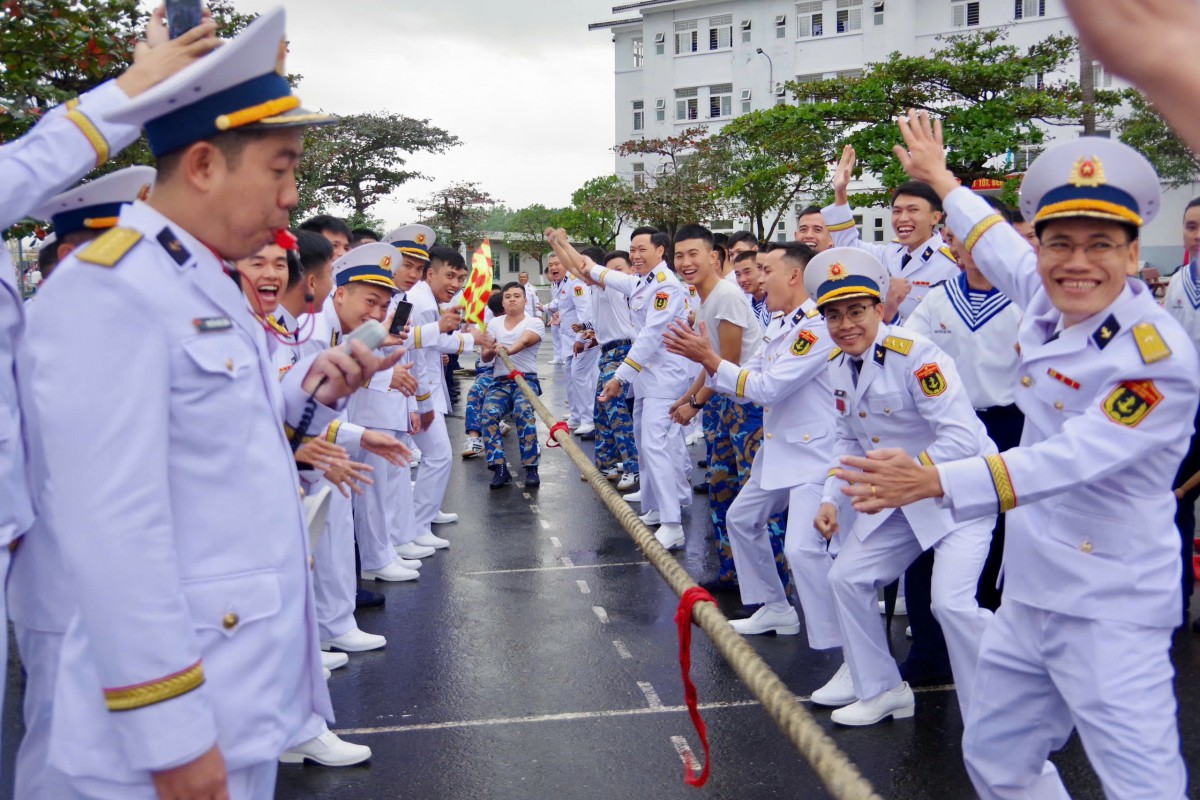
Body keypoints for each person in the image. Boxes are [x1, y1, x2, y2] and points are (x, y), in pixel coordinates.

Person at [25, 10, 403, 798]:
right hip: (158, 734)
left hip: (234, 691)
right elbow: (112, 529)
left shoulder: (197, 277)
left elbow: (218, 435)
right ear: (202, 164)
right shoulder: (110, 287)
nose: (293, 199)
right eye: (281, 168)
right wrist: (172, 736)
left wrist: (309, 388)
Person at [846, 111, 1198, 798]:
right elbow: (990, 241)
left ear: (1133, 255)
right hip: (1032, 588)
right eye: (1058, 242)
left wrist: (932, 481)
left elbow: (1067, 460)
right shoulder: (1046, 292)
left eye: (1101, 244)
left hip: (1110, 602)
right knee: (998, 757)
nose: (1076, 261)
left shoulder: (1158, 360)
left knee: (1142, 786)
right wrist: (941, 179)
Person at [10, 164, 157, 798]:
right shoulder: (37, 336)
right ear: (73, 254)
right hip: (57, 573)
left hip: (127, 573)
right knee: (58, 739)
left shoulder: (129, 331)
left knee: (121, 740)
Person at [808, 245, 996, 728]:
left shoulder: (918, 356)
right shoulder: (836, 364)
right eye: (833, 315)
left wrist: (905, 476)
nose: (846, 324)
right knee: (846, 578)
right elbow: (846, 437)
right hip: (902, 501)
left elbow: (961, 438)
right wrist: (831, 498)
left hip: (960, 493)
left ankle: (998, 710)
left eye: (856, 311)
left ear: (879, 309)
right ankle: (884, 690)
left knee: (950, 605)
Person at [665, 242, 844, 660]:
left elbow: (767, 388)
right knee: (742, 519)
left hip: (815, 456)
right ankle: (777, 608)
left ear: (794, 276)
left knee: (802, 549)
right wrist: (709, 365)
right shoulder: (783, 325)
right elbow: (747, 384)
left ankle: (841, 651)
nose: (757, 278)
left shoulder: (815, 329)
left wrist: (710, 358)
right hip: (782, 451)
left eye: (765, 269)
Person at [899, 204, 1024, 689]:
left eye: (976, 234)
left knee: (999, 546)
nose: (965, 245)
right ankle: (928, 655)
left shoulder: (1026, 298)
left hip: (1010, 427)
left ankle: (989, 652)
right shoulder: (938, 297)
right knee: (926, 539)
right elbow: (907, 352)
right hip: (949, 426)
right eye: (958, 236)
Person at [667, 224, 763, 586]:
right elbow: (712, 364)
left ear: (714, 257)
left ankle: (766, 587)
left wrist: (694, 402)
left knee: (749, 500)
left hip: (746, 409)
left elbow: (730, 366)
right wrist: (687, 397)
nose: (686, 262)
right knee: (721, 491)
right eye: (680, 255)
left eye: (694, 254)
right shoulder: (704, 299)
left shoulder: (727, 296)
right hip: (723, 406)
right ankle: (732, 570)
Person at [593, 227, 694, 550]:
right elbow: (597, 272)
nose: (635, 256)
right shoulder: (643, 282)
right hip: (648, 379)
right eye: (632, 250)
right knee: (643, 439)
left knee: (656, 446)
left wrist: (619, 377)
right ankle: (654, 506)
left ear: (660, 251)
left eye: (641, 249)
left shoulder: (667, 287)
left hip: (665, 378)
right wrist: (562, 245)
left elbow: (651, 336)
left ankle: (672, 522)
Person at [823, 145, 960, 323]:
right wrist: (840, 191)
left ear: (935, 217)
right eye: (896, 211)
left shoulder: (951, 264)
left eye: (913, 210)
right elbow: (849, 249)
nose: (902, 218)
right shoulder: (891, 253)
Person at [547, 234, 641, 492]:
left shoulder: (616, 285)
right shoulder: (598, 287)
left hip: (623, 351)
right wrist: (555, 244)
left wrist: (561, 243)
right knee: (602, 413)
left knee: (616, 411)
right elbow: (577, 269)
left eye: (617, 270)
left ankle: (632, 467)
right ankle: (607, 466)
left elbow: (579, 266)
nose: (610, 275)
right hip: (608, 352)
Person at [407, 245, 477, 541]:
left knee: (433, 457)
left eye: (461, 278)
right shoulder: (422, 303)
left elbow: (436, 341)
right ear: (430, 273)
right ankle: (419, 525)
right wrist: (422, 402)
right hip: (418, 391)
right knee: (438, 456)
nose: (456, 284)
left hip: (424, 389)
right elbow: (420, 351)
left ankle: (428, 511)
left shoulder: (426, 299)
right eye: (450, 276)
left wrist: (471, 341)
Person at [1162, 197, 1200, 630]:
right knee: (1177, 505)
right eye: (1190, 226)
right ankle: (1176, 601)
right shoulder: (1178, 282)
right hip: (1185, 408)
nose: (1196, 234)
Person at [481, 282, 546, 488]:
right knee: (488, 413)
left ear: (525, 300)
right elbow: (484, 356)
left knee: (523, 411)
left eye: (517, 296)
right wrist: (493, 350)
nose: (512, 299)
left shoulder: (534, 322)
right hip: (500, 382)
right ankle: (499, 468)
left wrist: (507, 350)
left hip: (525, 380)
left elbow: (526, 341)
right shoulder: (494, 324)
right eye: (507, 296)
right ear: (502, 301)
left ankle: (531, 467)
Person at [732, 250, 772, 328]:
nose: (742, 279)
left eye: (747, 272)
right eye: (738, 275)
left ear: (761, 269)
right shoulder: (743, 304)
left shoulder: (775, 303)